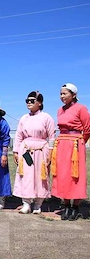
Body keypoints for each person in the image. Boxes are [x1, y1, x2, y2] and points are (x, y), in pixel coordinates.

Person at [51, 83, 90, 221]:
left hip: (75, 144)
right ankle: (66, 205)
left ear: (73, 95)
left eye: (65, 93)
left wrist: (80, 142)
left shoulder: (81, 108)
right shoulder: (60, 110)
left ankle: (76, 207)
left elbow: (87, 129)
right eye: (61, 94)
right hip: (62, 143)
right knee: (63, 174)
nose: (62, 96)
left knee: (76, 174)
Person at [12, 91, 56, 214]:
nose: (29, 103)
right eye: (27, 101)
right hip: (25, 150)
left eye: (32, 101)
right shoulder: (24, 118)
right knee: (25, 176)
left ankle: (38, 204)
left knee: (40, 176)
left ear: (40, 103)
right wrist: (16, 151)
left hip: (41, 150)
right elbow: (19, 135)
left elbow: (52, 137)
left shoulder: (46, 117)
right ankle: (26, 203)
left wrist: (51, 152)